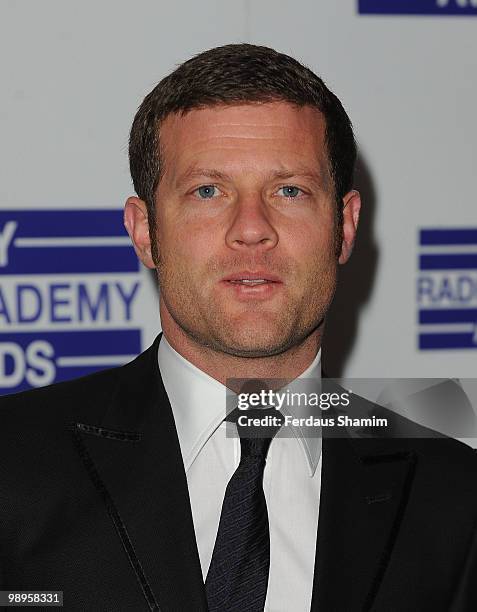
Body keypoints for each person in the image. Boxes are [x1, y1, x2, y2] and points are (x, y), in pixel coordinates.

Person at [1, 43, 477, 612]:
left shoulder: (455, 498)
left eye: (289, 191)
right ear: (145, 231)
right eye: (208, 191)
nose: (251, 230)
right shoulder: (12, 463)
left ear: (345, 226)